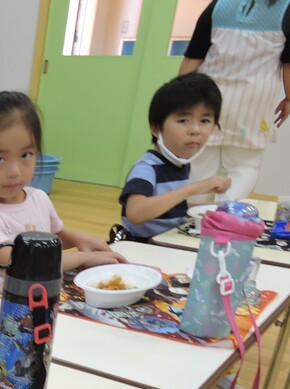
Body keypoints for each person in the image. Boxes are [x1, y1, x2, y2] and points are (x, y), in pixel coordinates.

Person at [0, 91, 126, 308]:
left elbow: (52, 239)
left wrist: (76, 239)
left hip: (39, 303)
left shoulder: (38, 198)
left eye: (26, 155)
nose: (15, 171)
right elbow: (24, 261)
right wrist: (83, 259)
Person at [179, 0, 290, 205]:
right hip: (252, 103)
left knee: (200, 161)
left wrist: (178, 95)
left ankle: (192, 218)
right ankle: (222, 215)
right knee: (244, 165)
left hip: (207, 99)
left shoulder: (219, 5)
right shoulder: (285, 8)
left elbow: (193, 58)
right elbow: (288, 64)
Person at [118, 73, 231, 242]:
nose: (195, 130)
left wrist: (213, 210)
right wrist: (192, 189)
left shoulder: (179, 163)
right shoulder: (147, 168)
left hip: (168, 241)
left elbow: (170, 210)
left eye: (205, 120)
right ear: (156, 129)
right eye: (183, 120)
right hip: (142, 246)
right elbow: (135, 213)